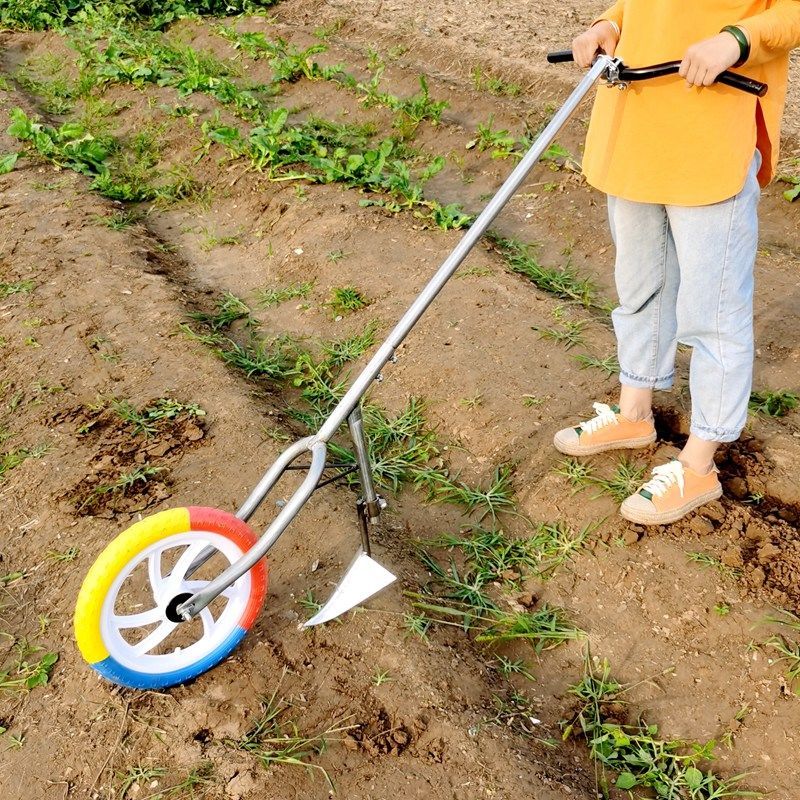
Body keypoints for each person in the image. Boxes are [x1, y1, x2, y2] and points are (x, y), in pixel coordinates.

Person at [553, 1, 800, 525]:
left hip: (713, 125)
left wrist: (735, 39)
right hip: (636, 118)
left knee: (712, 314)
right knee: (640, 285)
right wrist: (609, 24)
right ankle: (634, 412)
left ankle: (699, 463)